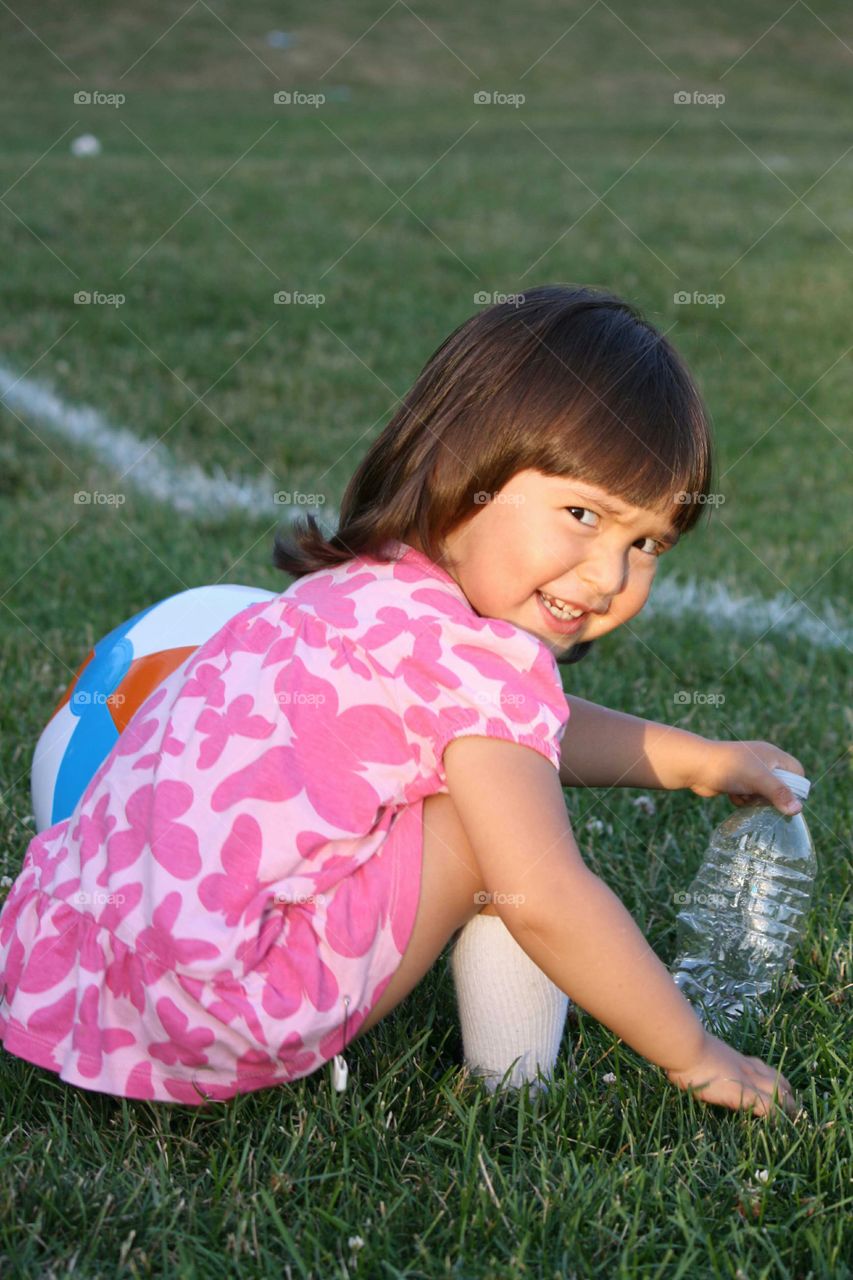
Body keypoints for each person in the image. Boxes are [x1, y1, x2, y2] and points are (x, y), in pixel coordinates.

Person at [0, 284, 801, 1117]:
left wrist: (699, 763)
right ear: (466, 471)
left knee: (487, 779)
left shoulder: (366, 583)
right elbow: (551, 900)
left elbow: (530, 731)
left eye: (644, 543)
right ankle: (511, 1090)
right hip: (222, 1010)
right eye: (580, 514)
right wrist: (695, 1053)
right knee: (494, 832)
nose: (608, 575)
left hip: (76, 960)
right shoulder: (474, 662)